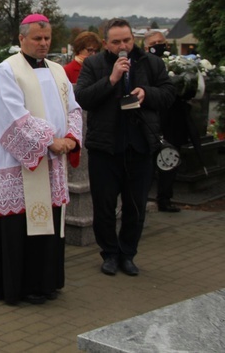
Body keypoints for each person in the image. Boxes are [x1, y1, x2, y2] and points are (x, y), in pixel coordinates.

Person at [0, 14, 82, 306]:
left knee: (49, 223)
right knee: (20, 226)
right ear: (21, 39)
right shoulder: (6, 70)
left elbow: (73, 108)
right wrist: (50, 141)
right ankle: (17, 286)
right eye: (37, 38)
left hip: (54, 161)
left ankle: (46, 282)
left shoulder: (58, 71)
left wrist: (72, 137)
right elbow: (10, 113)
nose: (43, 43)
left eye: (47, 37)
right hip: (19, 161)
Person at [75, 18, 175, 277]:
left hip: (140, 145)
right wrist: (111, 79)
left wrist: (147, 94)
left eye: (127, 40)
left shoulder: (151, 63)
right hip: (105, 148)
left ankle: (128, 253)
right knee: (105, 206)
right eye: (117, 41)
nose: (123, 46)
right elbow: (82, 98)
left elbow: (168, 94)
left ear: (134, 40)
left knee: (135, 206)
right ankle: (109, 253)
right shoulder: (93, 64)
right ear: (106, 43)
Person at [144, 30, 190, 213]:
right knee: (148, 165)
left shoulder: (175, 64)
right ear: (147, 47)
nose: (160, 46)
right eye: (155, 43)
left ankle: (165, 198)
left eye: (162, 42)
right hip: (152, 122)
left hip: (172, 121)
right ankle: (142, 199)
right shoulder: (143, 66)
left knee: (170, 162)